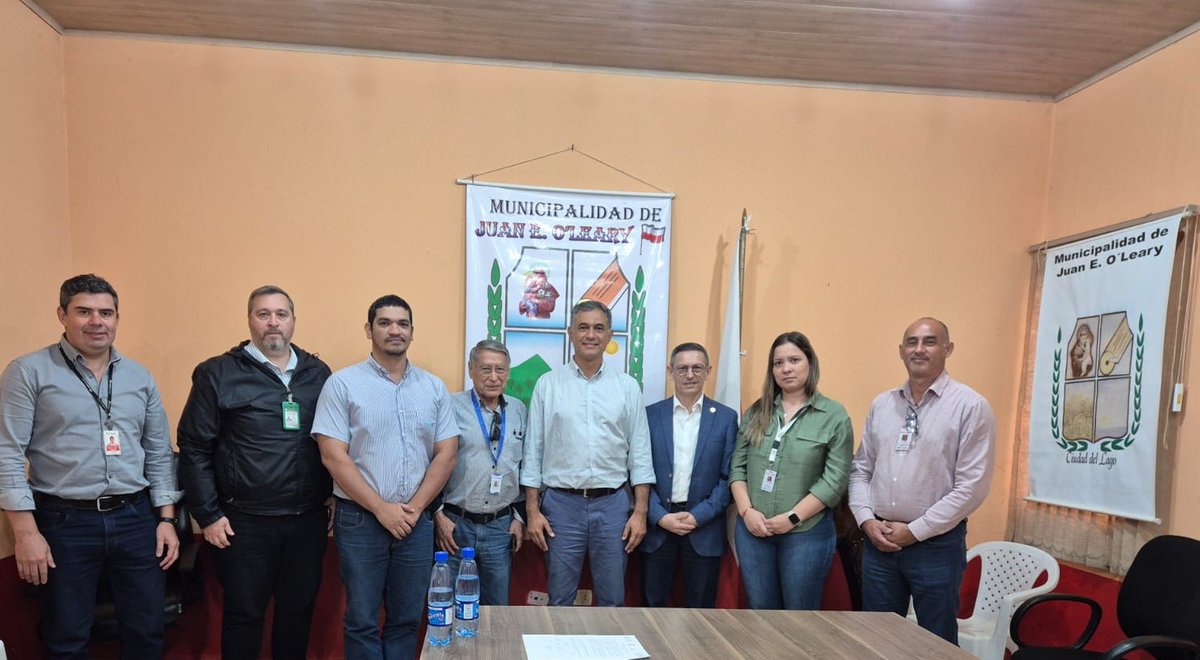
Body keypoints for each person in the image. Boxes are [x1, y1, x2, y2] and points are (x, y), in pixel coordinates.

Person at [0, 274, 181, 657]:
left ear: (117, 318)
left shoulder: (139, 376)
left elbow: (159, 453)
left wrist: (165, 519)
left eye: (106, 312)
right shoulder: (29, 372)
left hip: (135, 518)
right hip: (65, 523)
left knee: (147, 631)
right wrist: (25, 533)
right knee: (66, 637)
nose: (96, 321)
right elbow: (7, 453)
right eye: (84, 311)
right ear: (62, 315)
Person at [177, 285, 333, 660]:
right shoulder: (218, 373)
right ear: (250, 320)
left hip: (306, 521)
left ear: (293, 321)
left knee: (298, 612)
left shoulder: (317, 372)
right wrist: (209, 515)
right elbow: (194, 448)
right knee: (244, 615)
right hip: (244, 522)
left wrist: (330, 494)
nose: (273, 323)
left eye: (281, 314)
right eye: (263, 314)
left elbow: (332, 441)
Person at [312, 294, 459, 660]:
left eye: (403, 324)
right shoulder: (342, 384)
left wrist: (415, 508)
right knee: (361, 619)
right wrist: (381, 509)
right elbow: (332, 455)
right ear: (369, 329)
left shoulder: (433, 388)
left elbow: (447, 452)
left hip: (416, 523)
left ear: (412, 332)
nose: (395, 330)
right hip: (361, 520)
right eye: (385, 322)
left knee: (408, 618)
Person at [848, 317, 996, 644]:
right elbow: (861, 470)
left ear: (948, 349)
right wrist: (866, 520)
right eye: (911, 342)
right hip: (879, 542)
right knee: (876, 640)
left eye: (929, 341)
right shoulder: (882, 404)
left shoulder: (970, 406)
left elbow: (971, 488)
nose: (919, 349)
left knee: (936, 643)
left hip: (936, 546)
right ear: (901, 351)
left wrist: (914, 532)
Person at [521, 300, 655, 607]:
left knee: (613, 601)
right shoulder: (548, 385)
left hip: (613, 507)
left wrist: (640, 511)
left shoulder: (627, 387)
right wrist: (532, 511)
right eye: (583, 327)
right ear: (570, 333)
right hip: (560, 507)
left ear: (609, 336)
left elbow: (641, 455)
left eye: (598, 328)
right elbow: (533, 453)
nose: (590, 335)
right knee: (559, 600)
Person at [729, 331, 853, 610]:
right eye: (778, 363)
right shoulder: (757, 412)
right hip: (754, 533)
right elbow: (737, 469)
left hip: (805, 534)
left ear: (810, 363)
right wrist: (748, 513)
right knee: (761, 616)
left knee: (799, 620)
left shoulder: (834, 416)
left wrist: (792, 517)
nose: (786, 368)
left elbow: (834, 481)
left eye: (794, 360)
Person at [640, 342, 737, 608]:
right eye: (682, 368)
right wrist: (660, 516)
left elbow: (729, 478)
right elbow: (637, 472)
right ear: (670, 371)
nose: (690, 375)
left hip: (704, 529)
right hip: (658, 528)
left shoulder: (726, 418)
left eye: (697, 368)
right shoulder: (650, 416)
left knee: (701, 611)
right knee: (651, 609)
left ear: (708, 371)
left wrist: (697, 516)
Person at [435, 339, 527, 606]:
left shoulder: (519, 409)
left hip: (500, 526)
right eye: (486, 369)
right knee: (448, 604)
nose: (494, 377)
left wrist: (519, 516)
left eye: (501, 370)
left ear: (508, 372)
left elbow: (527, 465)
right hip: (455, 523)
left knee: (497, 609)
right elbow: (429, 462)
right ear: (471, 369)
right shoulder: (450, 407)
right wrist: (438, 514)